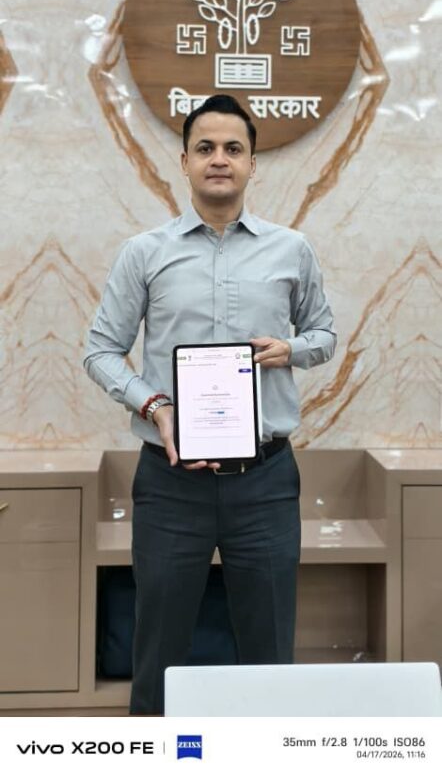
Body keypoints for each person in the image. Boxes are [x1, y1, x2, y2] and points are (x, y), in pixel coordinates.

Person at [84, 94, 336, 715]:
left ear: (252, 164)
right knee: (159, 653)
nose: (218, 159)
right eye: (205, 148)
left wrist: (290, 349)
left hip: (265, 481)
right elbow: (101, 351)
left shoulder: (292, 249)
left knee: (269, 654)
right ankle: (157, 752)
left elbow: (324, 335)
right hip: (171, 483)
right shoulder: (144, 252)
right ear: (185, 162)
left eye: (232, 149)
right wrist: (154, 406)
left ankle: (262, 754)